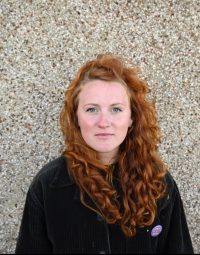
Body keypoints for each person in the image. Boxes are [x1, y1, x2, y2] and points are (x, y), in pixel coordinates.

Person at [15, 54, 194, 254]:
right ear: (76, 117)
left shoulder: (158, 181)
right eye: (91, 109)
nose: (103, 122)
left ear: (132, 118)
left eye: (116, 109)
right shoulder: (48, 185)